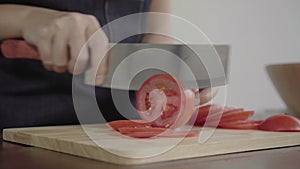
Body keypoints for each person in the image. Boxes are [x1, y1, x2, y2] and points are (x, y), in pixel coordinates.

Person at [0, 0, 216, 131]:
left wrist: (168, 70)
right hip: (18, 119)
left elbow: (156, 28)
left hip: (124, 123)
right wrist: (27, 18)